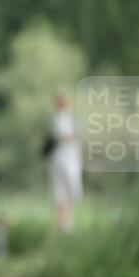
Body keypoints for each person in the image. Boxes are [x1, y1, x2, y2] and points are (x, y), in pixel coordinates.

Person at [48, 92, 82, 233]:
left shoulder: (71, 119)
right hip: (60, 159)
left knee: (71, 189)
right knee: (61, 190)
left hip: (71, 158)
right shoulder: (57, 119)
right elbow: (66, 135)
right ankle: (62, 222)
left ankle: (67, 221)